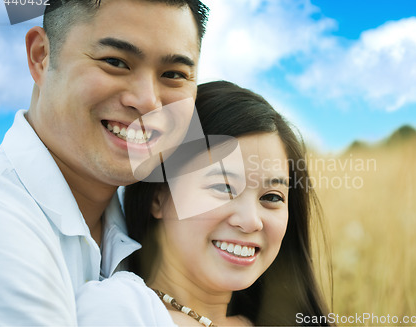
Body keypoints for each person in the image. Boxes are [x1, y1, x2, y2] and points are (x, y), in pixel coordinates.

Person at [0, 0, 208, 325]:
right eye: (116, 62)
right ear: (41, 56)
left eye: (173, 75)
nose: (147, 102)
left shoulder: (155, 219)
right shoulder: (6, 231)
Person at [76, 81, 333, 326]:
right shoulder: (121, 311)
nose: (251, 220)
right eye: (223, 187)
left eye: (272, 197)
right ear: (159, 196)